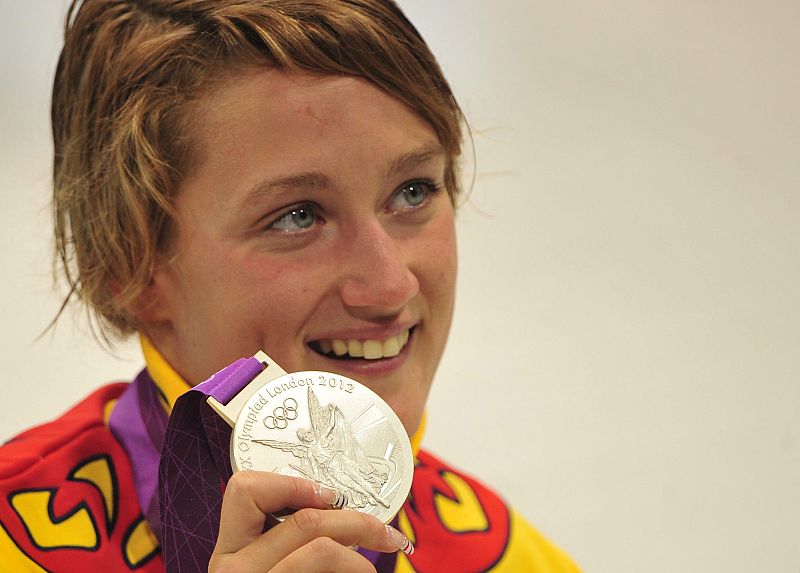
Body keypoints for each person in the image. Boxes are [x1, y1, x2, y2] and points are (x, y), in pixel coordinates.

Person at [0, 1, 581, 571]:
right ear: (129, 267)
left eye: (413, 191)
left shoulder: (508, 557)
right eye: (298, 216)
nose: (389, 287)